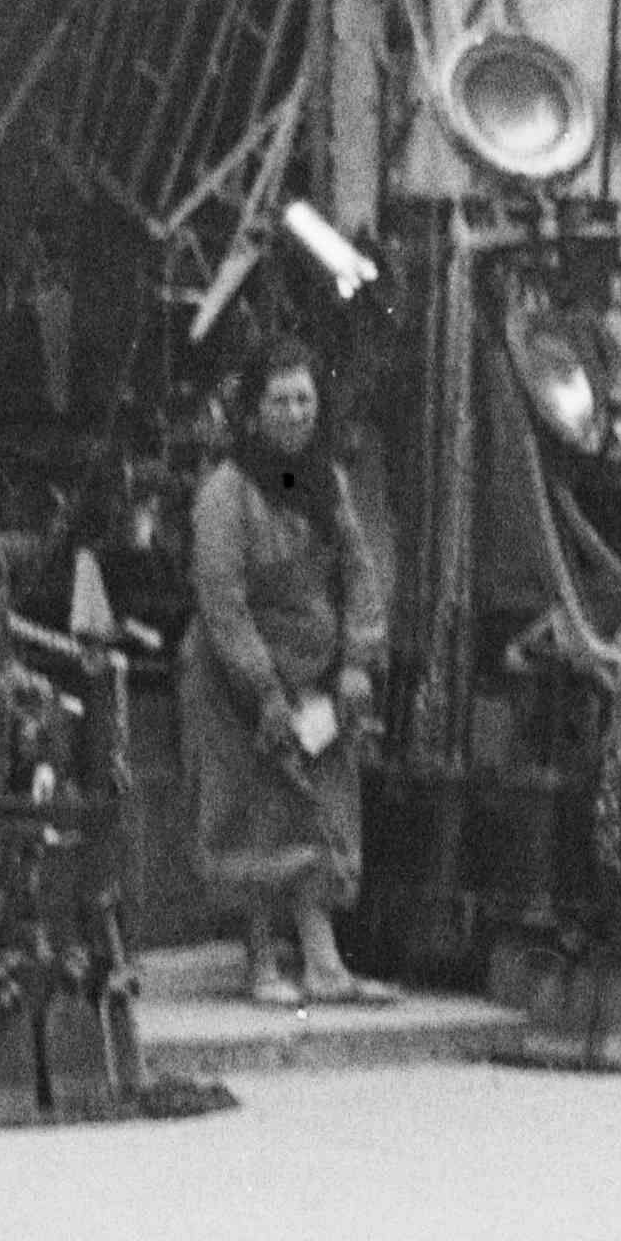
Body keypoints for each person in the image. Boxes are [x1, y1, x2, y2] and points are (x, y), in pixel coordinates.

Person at [187, 343, 392, 1013]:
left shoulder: (327, 482)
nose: (295, 412)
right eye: (280, 400)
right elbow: (222, 598)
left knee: (321, 806)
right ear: (254, 411)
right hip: (237, 678)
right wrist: (265, 692)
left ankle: (324, 964)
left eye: (304, 398)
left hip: (317, 675)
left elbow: (360, 572)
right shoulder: (226, 493)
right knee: (253, 810)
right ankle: (261, 961)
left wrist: (356, 660)